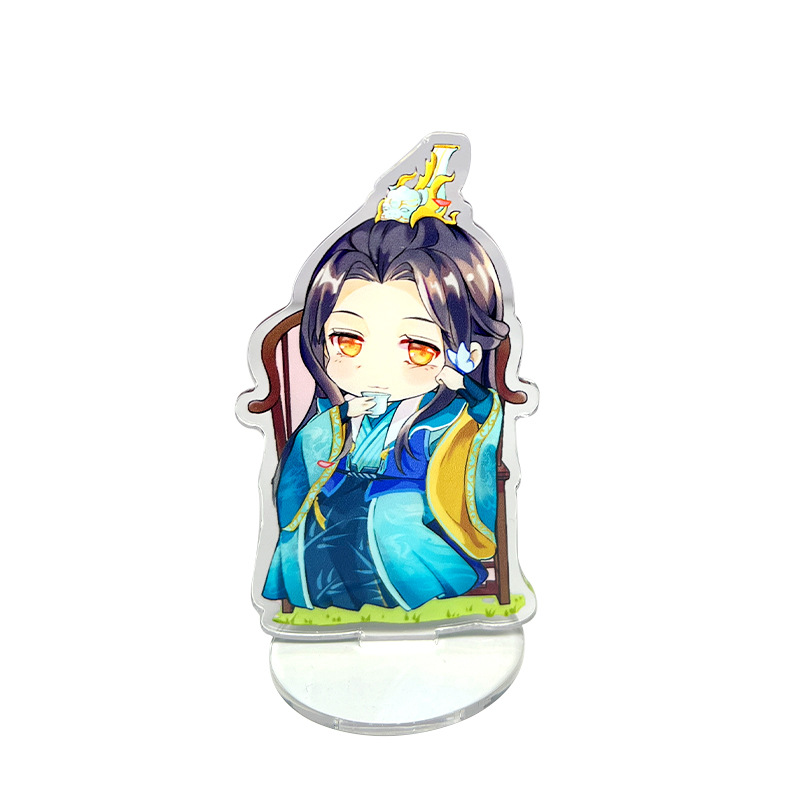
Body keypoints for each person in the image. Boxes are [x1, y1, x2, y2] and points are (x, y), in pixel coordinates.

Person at [262, 214, 509, 612]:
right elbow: (308, 452)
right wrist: (343, 416)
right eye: (348, 340)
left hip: (405, 494)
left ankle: (402, 593)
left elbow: (484, 419)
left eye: (417, 347)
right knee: (320, 522)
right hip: (342, 487)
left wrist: (464, 385)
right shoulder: (339, 410)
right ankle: (327, 597)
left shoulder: (444, 412)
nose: (376, 369)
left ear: (466, 355)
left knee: (392, 523)